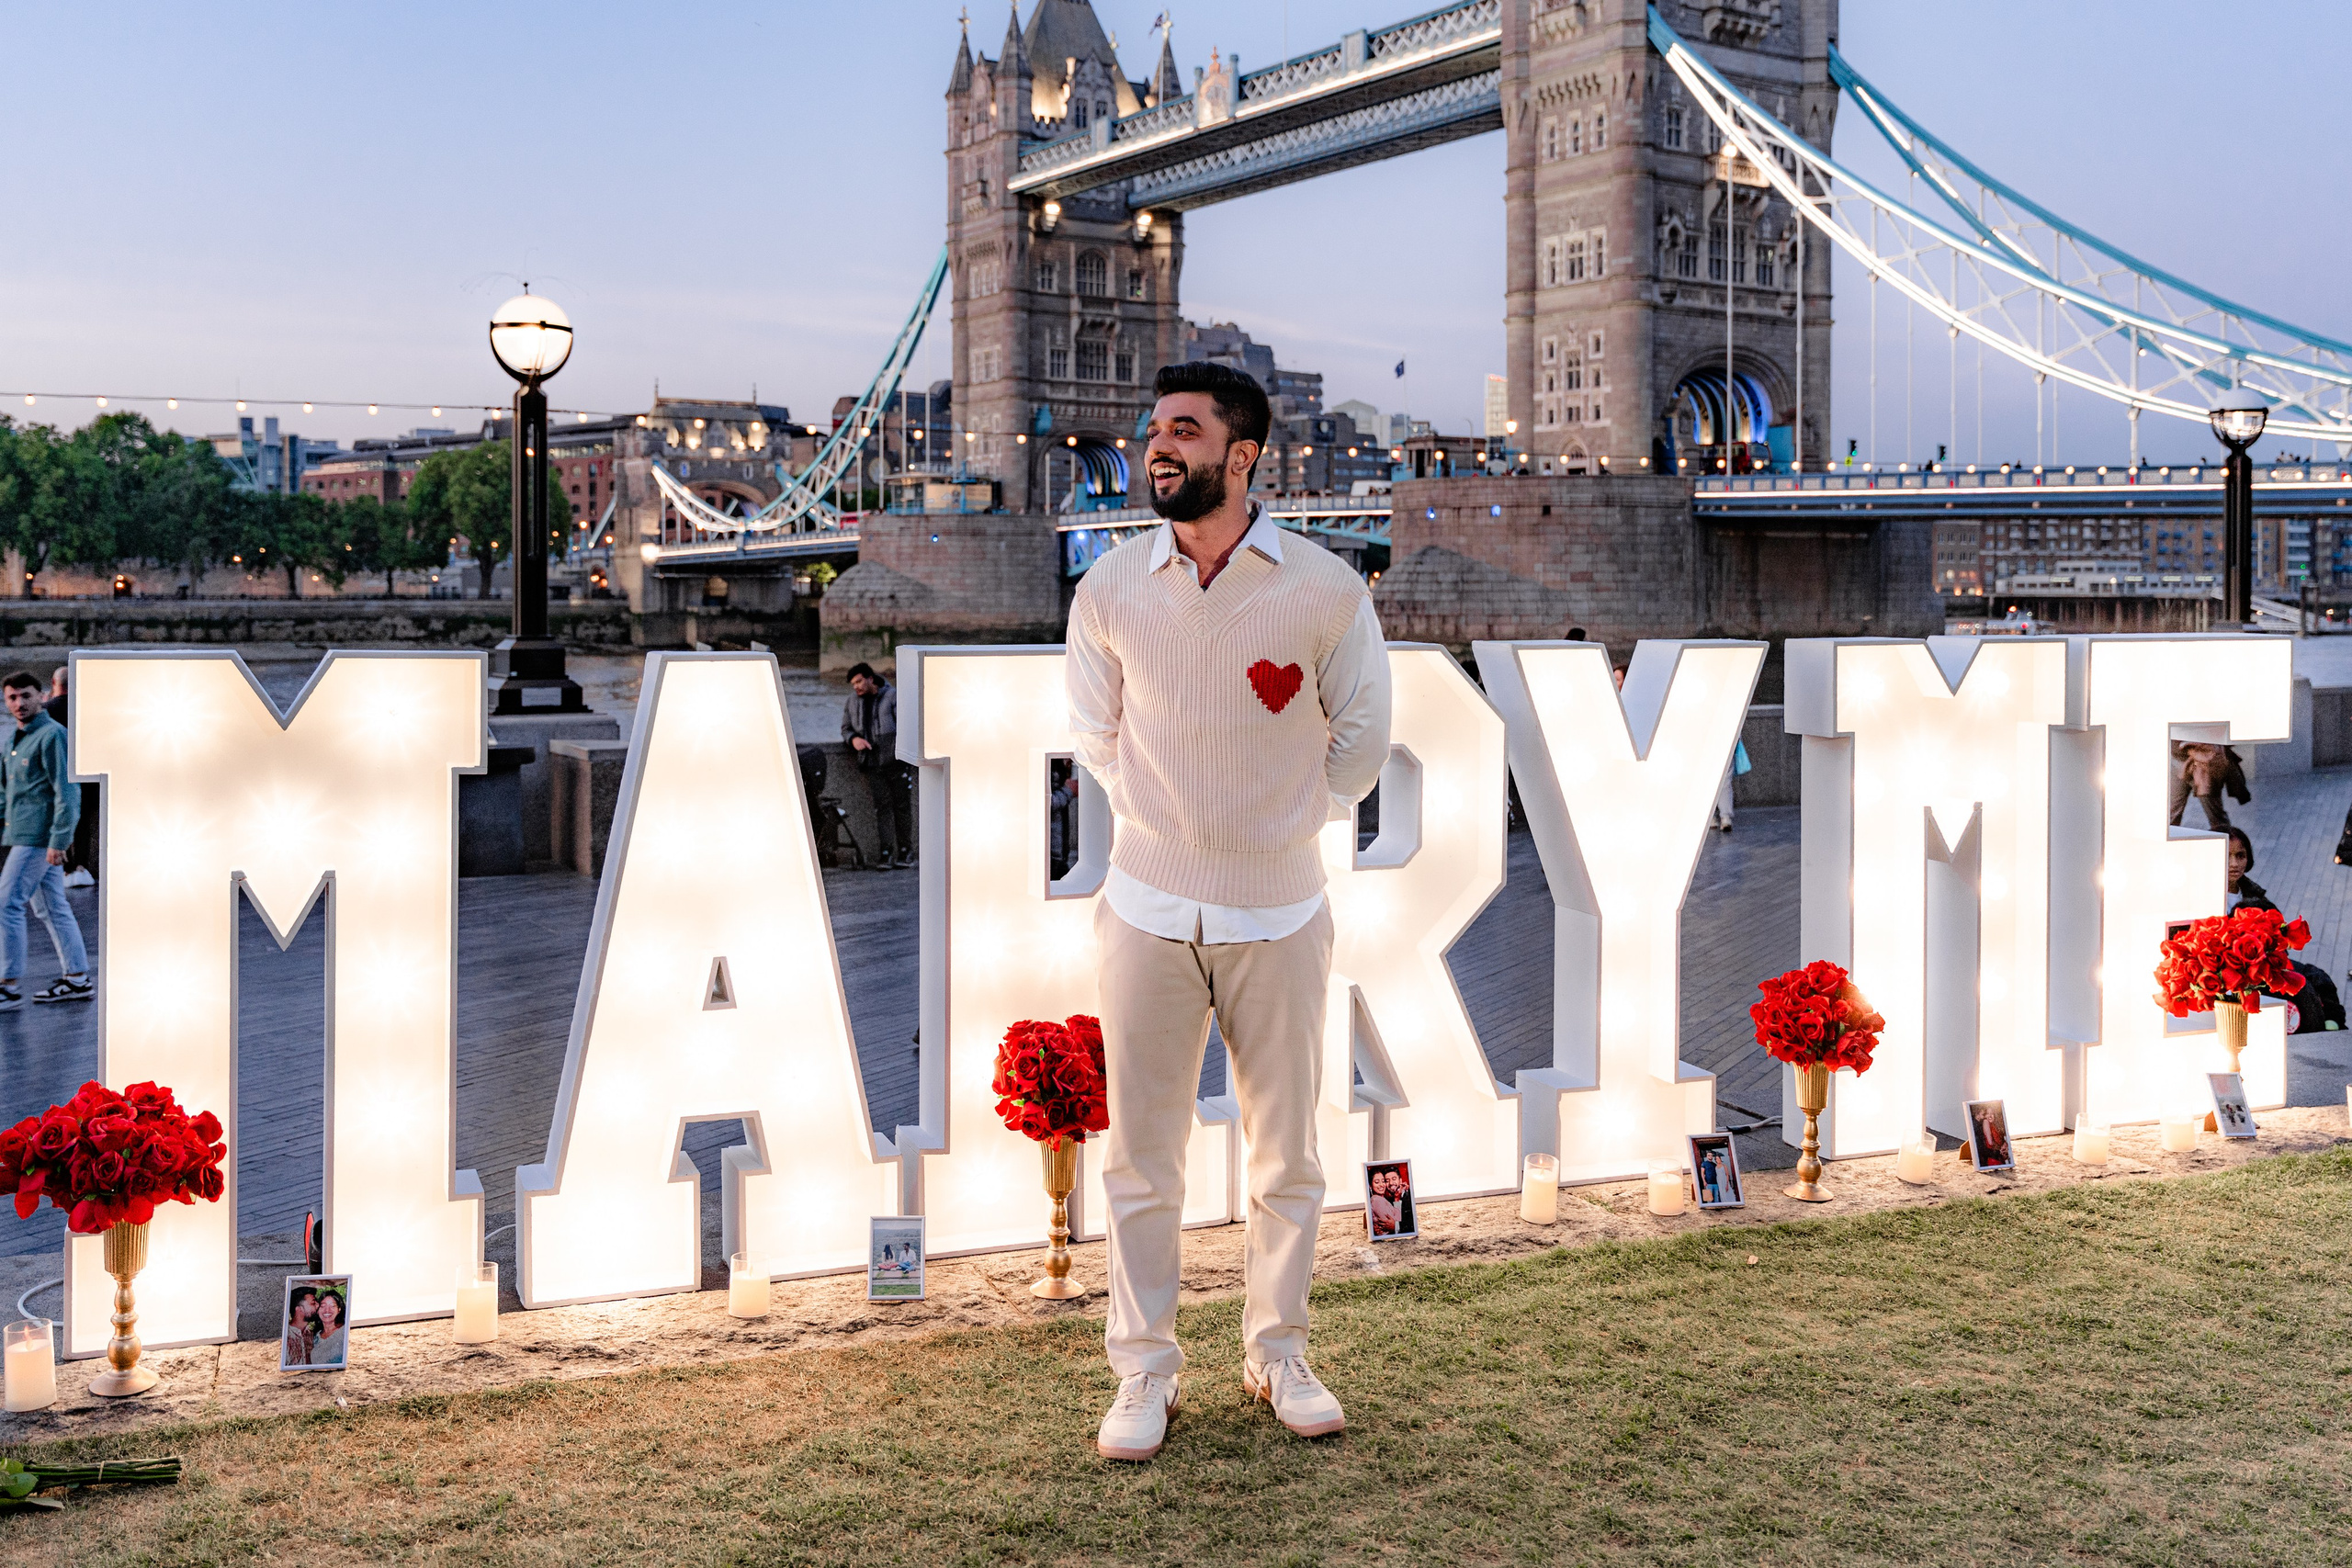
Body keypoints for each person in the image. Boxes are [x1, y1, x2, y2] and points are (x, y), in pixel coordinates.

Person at [1071, 360, 1390, 1462]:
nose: (1157, 446)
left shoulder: (1323, 589)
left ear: (1240, 456)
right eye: (1154, 428)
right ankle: (1142, 1370)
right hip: (1146, 908)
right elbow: (1098, 737)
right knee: (1139, 1160)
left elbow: (1360, 742)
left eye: (1183, 430)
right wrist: (1175, 828)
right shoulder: (1109, 586)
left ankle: (1277, 1351)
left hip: (1280, 911)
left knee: (1287, 1156)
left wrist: (1274, 823)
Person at [0, 671, 92, 1010]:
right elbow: (7, 792)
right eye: (12, 698)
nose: (19, 703)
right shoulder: (17, 738)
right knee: (51, 907)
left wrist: (59, 839)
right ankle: (77, 978)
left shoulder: (53, 735)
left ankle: (7, 985)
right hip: (24, 833)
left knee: (6, 903)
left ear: (41, 695)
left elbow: (67, 793)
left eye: (25, 695)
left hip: (39, 838)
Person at [840, 662, 913, 869]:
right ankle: (886, 852)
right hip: (872, 763)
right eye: (853, 684)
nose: (856, 687)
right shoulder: (852, 701)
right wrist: (853, 739)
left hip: (896, 761)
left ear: (871, 678)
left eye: (859, 681)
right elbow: (845, 728)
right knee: (882, 808)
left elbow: (905, 726)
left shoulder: (892, 696)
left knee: (901, 807)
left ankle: (906, 852)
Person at [2168, 739, 2247, 829]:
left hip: (2205, 764)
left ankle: (2227, 840)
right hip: (2179, 760)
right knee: (2172, 813)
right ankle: (2168, 841)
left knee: (2216, 816)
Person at [309, 1289, 348, 1367]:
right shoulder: (315, 1337)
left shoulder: (344, 1332)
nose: (327, 1310)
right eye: (323, 1306)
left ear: (339, 1309)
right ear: (318, 1310)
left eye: (332, 1306)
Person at [282, 1286, 319, 1367]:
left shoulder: (312, 1334)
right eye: (313, 1303)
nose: (318, 1305)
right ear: (299, 1309)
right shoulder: (285, 1336)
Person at [1366, 1170, 1402, 1237]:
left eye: (1383, 1181)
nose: (1381, 1185)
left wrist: (1396, 1199)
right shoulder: (1377, 1200)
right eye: (1377, 1182)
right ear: (1370, 1186)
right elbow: (1396, 1222)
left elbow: (1395, 1223)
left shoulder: (1382, 1199)